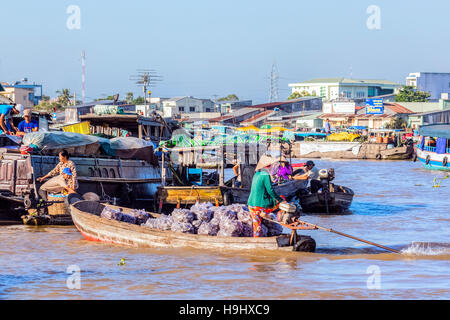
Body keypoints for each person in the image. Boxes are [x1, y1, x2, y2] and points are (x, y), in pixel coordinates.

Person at [247, 155, 285, 237]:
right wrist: (281, 200)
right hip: (260, 206)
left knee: (256, 226)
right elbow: (270, 190)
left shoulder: (256, 174)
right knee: (282, 198)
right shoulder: (265, 175)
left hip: (251, 205)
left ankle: (256, 239)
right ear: (268, 166)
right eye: (271, 165)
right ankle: (265, 213)